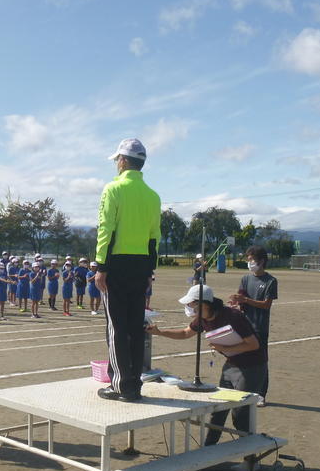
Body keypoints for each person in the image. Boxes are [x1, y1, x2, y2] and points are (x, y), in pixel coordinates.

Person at [147, 285, 264, 439]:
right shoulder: (202, 319)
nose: (189, 307)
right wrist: (159, 332)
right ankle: (209, 446)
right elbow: (185, 333)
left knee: (241, 413)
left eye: (192, 304)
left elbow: (253, 344)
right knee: (218, 410)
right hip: (231, 365)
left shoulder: (233, 316)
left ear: (204, 304)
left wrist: (224, 348)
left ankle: (248, 451)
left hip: (251, 367)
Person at [95, 138, 162, 401]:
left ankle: (120, 385)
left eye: (117, 160)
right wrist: (150, 271)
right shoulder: (153, 196)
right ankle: (134, 383)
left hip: (116, 264)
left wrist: (101, 266)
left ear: (123, 161)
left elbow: (106, 229)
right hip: (142, 265)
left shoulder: (113, 189)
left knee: (116, 327)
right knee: (135, 326)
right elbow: (154, 237)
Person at [230, 245, 278, 407]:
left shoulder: (270, 281)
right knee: (242, 359)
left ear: (261, 261)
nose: (249, 263)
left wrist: (246, 300)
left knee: (261, 361)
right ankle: (242, 389)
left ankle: (261, 394)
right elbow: (241, 297)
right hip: (245, 327)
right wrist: (236, 302)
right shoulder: (245, 279)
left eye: (252, 260)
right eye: (248, 259)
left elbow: (266, 305)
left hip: (260, 328)